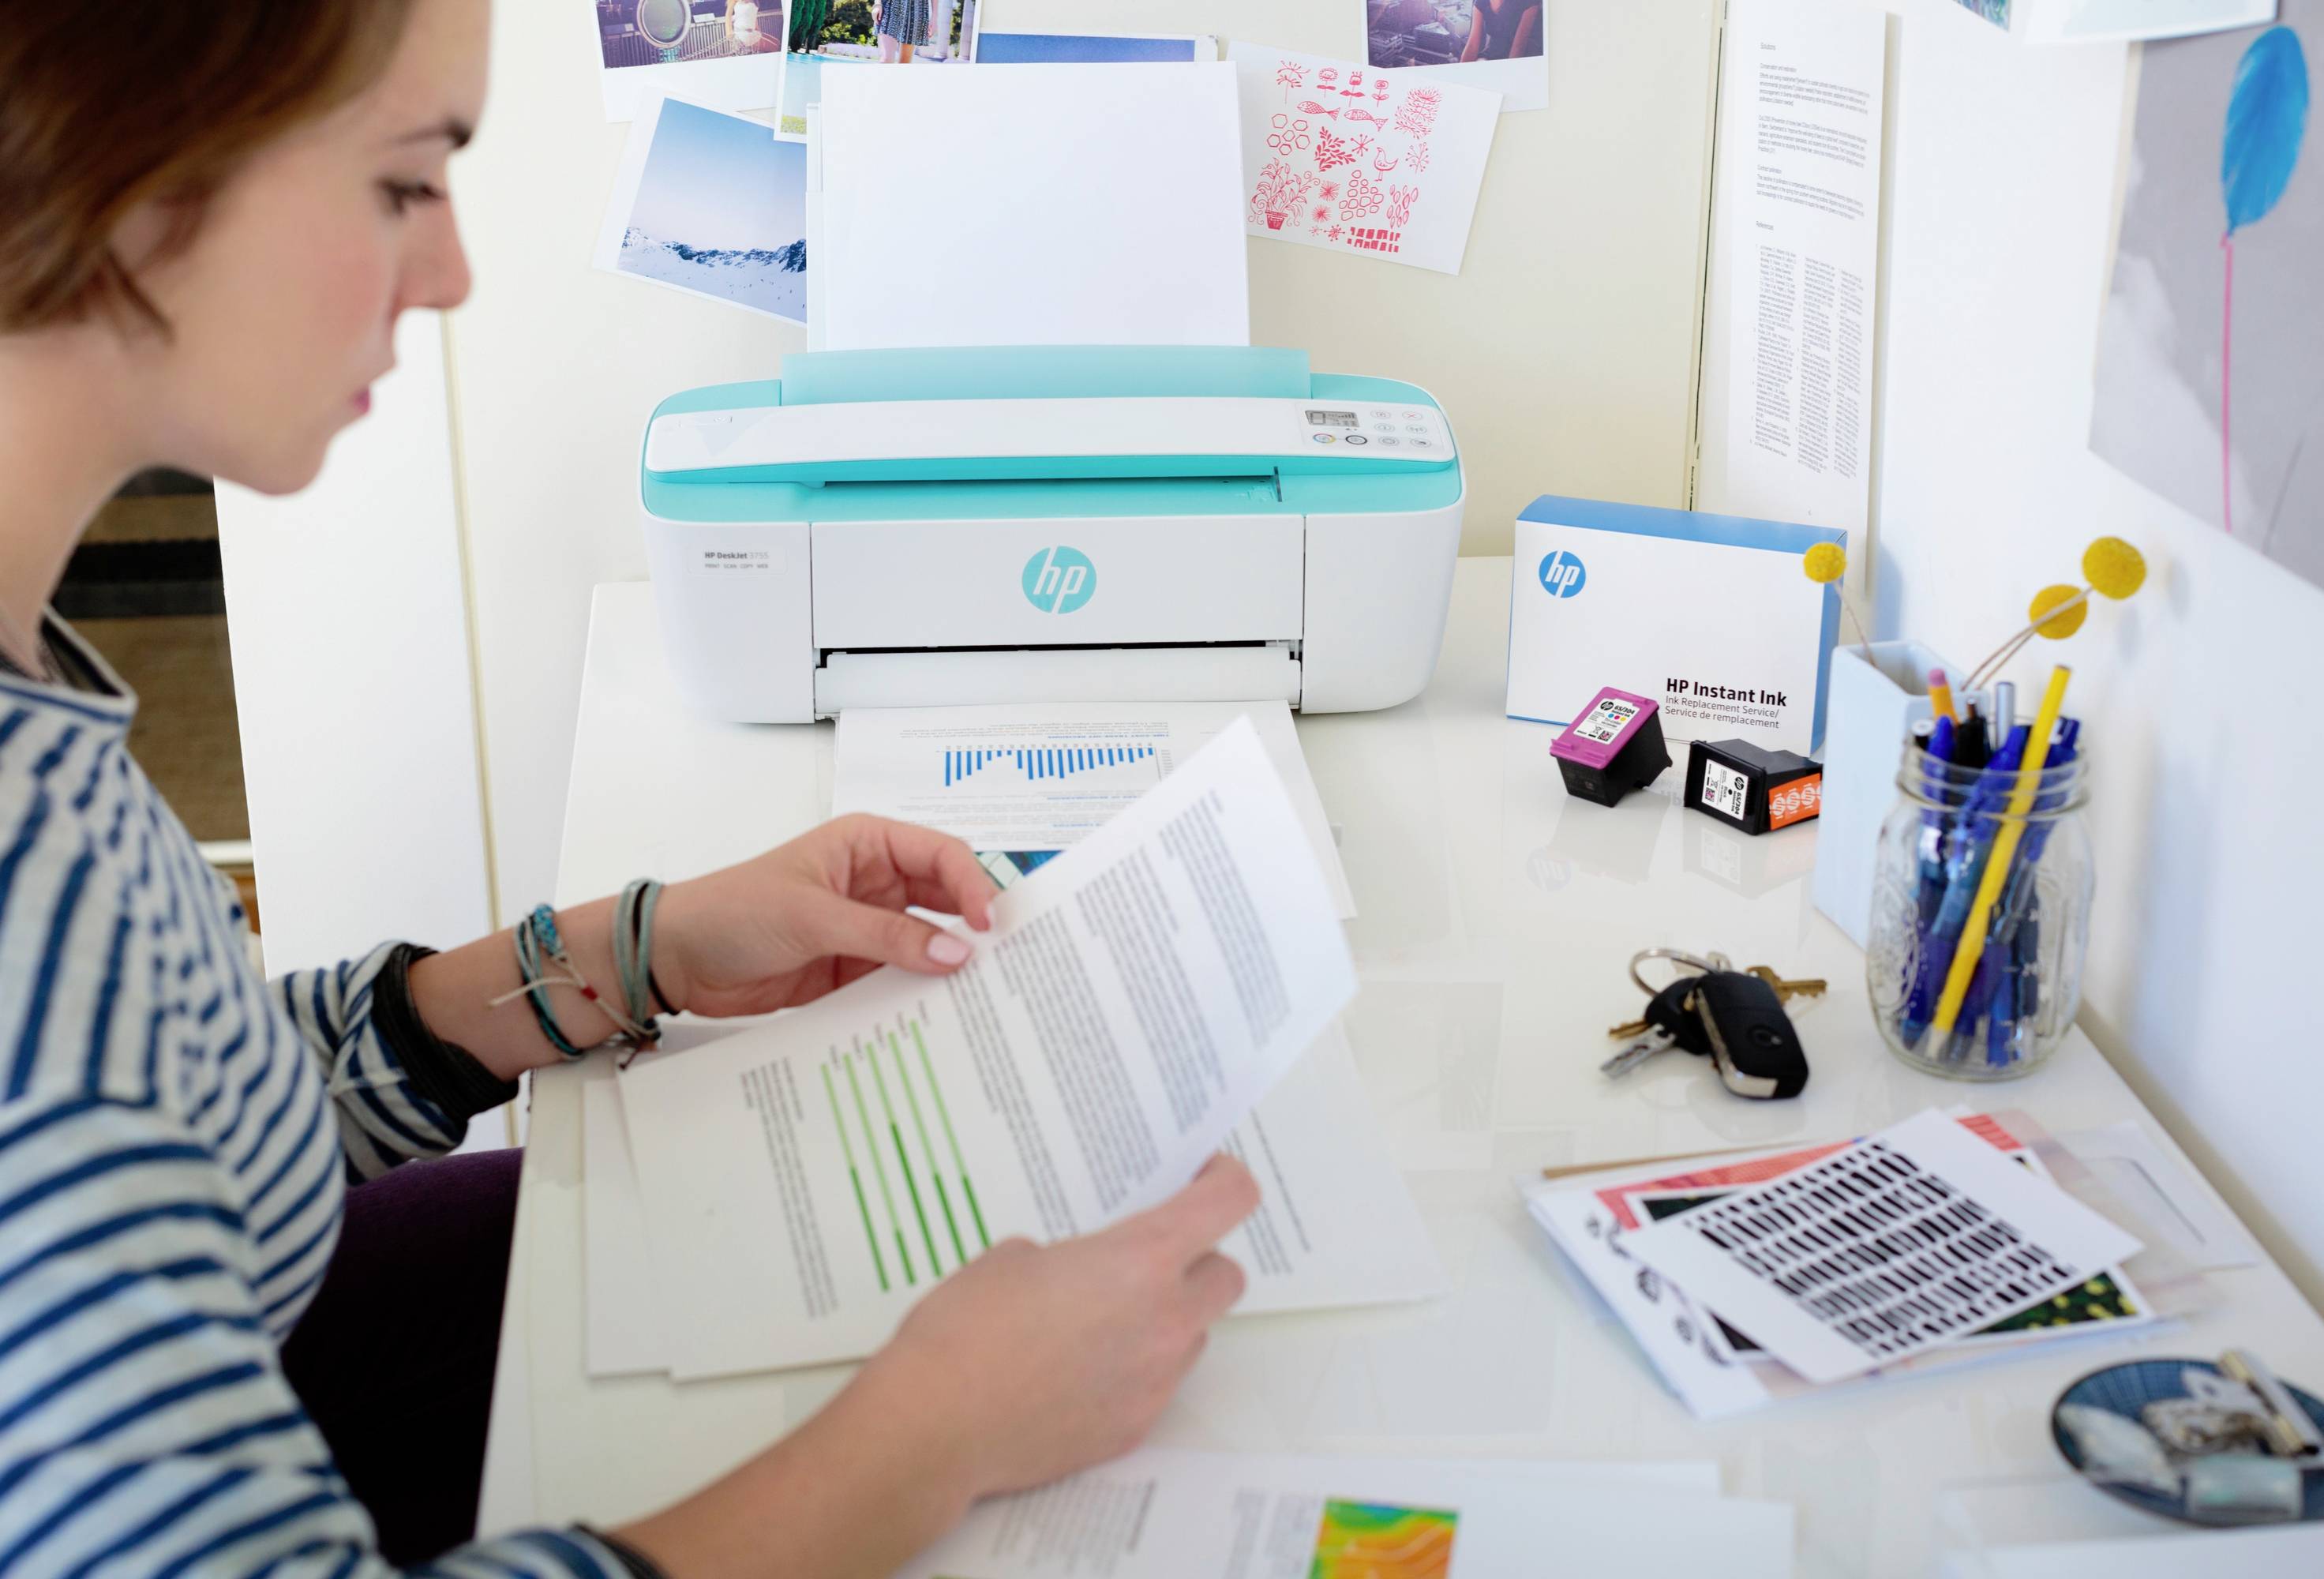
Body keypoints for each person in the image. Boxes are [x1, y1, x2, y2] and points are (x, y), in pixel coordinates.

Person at [0, 2, 1260, 1575]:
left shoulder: (34, 700)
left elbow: (193, 1117)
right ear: (123, 157)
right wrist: (933, 1436)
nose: (451, 272)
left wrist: (622, 955)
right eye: (404, 181)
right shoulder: (23, 890)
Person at [1461, 0, 1543, 63]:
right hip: (1492, 52)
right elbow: (1472, 46)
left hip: (1523, 57)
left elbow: (1518, 50)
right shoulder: (1481, 2)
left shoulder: (1529, 3)